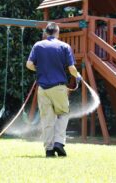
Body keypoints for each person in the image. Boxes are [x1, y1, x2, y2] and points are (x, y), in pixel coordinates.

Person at [26, 22, 82, 157]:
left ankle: (49, 150)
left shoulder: (38, 45)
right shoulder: (64, 46)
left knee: (47, 119)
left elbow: (29, 64)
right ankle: (58, 142)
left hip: (43, 89)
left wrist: (39, 70)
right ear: (57, 32)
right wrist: (78, 76)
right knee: (63, 114)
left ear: (46, 33)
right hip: (58, 88)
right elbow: (71, 68)